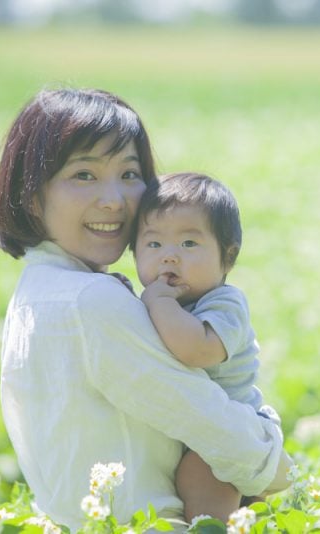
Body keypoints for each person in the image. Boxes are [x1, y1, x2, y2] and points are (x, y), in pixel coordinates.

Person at [0, 88, 290, 531]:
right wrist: (280, 467)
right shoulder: (91, 301)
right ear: (32, 195)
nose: (115, 199)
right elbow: (209, 421)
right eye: (84, 175)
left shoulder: (34, 293)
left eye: (130, 173)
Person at [131, 172, 278, 522]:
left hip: (229, 433)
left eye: (188, 244)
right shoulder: (153, 300)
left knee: (201, 481)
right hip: (187, 426)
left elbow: (197, 351)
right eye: (154, 244)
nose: (169, 257)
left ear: (228, 257)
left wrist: (160, 304)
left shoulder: (225, 304)